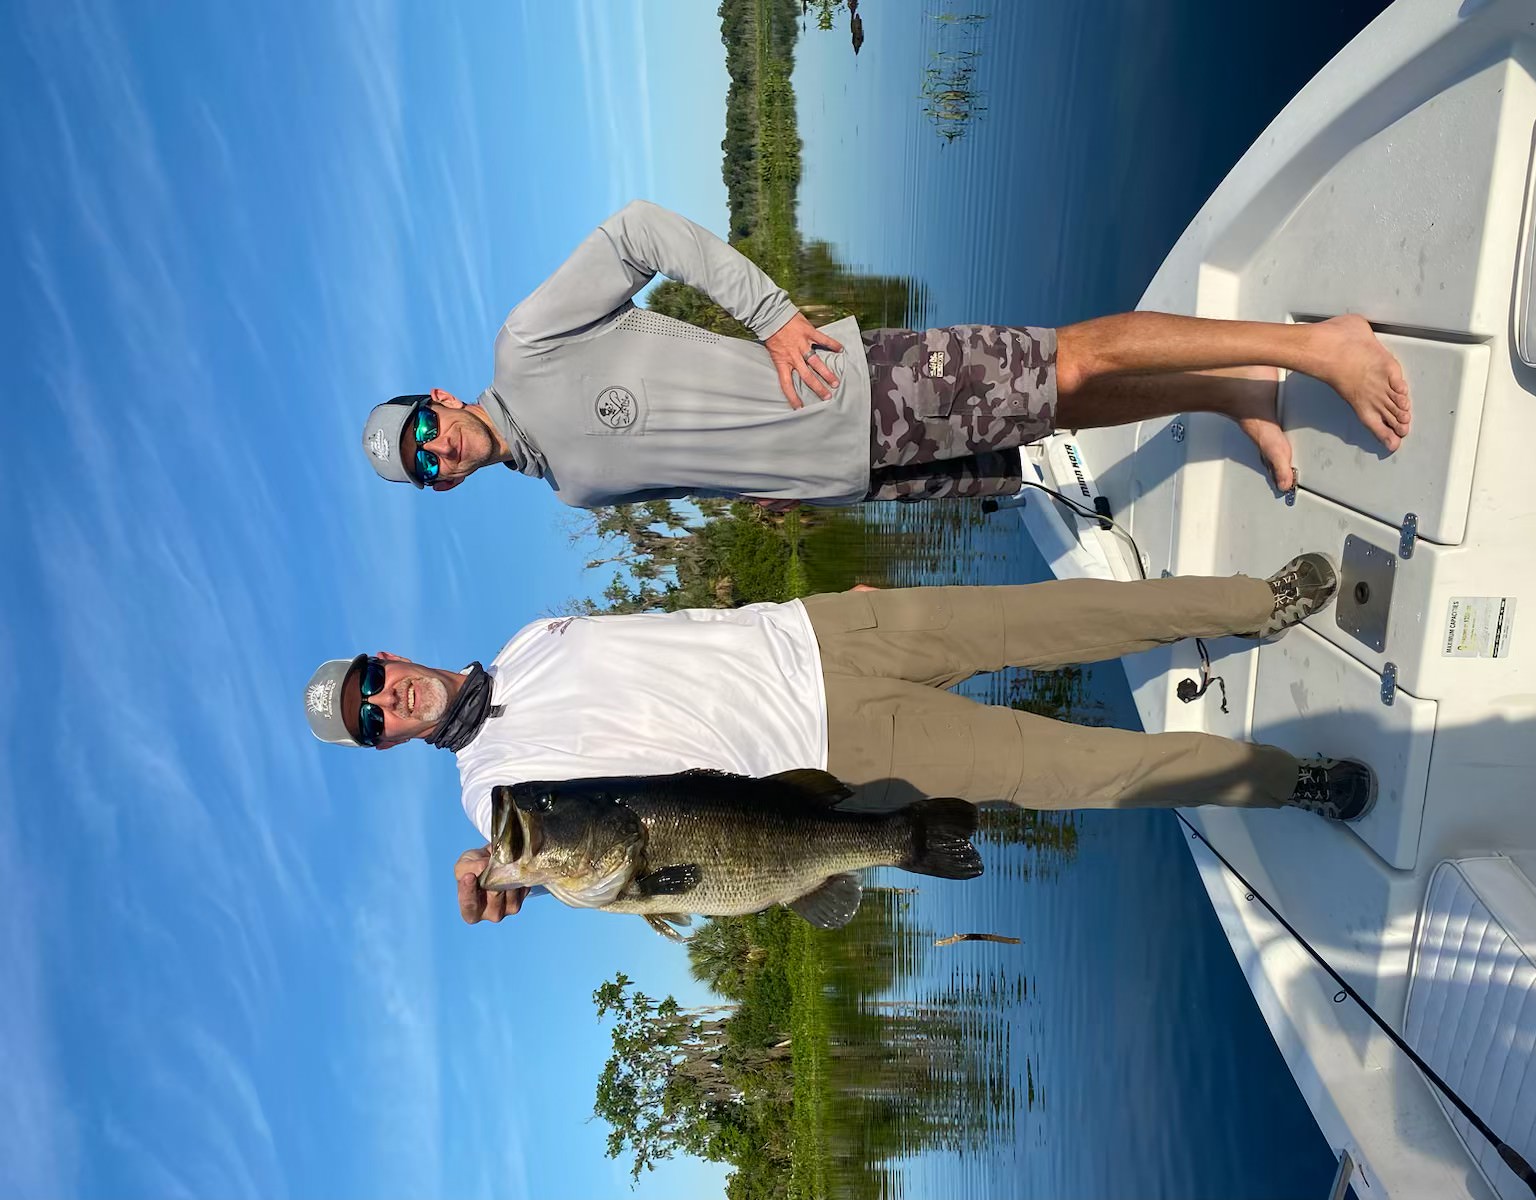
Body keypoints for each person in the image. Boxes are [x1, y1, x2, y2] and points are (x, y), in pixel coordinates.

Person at [302, 556, 1373, 926]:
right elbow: (561, 852)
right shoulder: (491, 789)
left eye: (373, 679)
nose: (387, 697)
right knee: (1085, 770)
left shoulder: (530, 637)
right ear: (387, 744)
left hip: (830, 627)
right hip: (840, 742)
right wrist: (497, 875)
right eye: (372, 718)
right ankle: (1293, 781)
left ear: (388, 656)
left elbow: (674, 643)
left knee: (1059, 612)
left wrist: (817, 603)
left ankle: (1258, 600)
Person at [359, 200, 1410, 507]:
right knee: (1056, 417)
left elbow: (637, 232)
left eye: (424, 430)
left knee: (1069, 361)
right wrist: (763, 484)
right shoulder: (571, 491)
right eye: (425, 468)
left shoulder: (524, 342)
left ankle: (1311, 345)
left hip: (852, 391)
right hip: (852, 473)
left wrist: (771, 316)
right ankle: (1231, 390)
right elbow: (688, 454)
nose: (438, 451)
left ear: (442, 399)